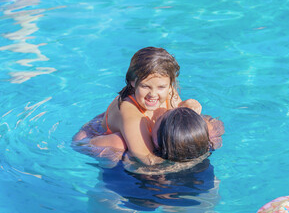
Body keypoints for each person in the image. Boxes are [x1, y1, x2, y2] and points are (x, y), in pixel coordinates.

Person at [74, 47, 203, 165]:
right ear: (133, 82)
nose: (153, 94)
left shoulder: (169, 92)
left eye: (161, 87)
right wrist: (190, 163)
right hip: (90, 140)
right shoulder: (130, 110)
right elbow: (147, 159)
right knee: (119, 143)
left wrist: (188, 105)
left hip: (121, 125)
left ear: (170, 85)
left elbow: (182, 118)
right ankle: (108, 184)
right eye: (145, 86)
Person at [73, 107, 224, 171]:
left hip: (134, 187)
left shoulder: (120, 143)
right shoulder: (206, 134)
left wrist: (96, 124)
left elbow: (78, 144)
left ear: (157, 140)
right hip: (200, 178)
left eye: (158, 119)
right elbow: (219, 125)